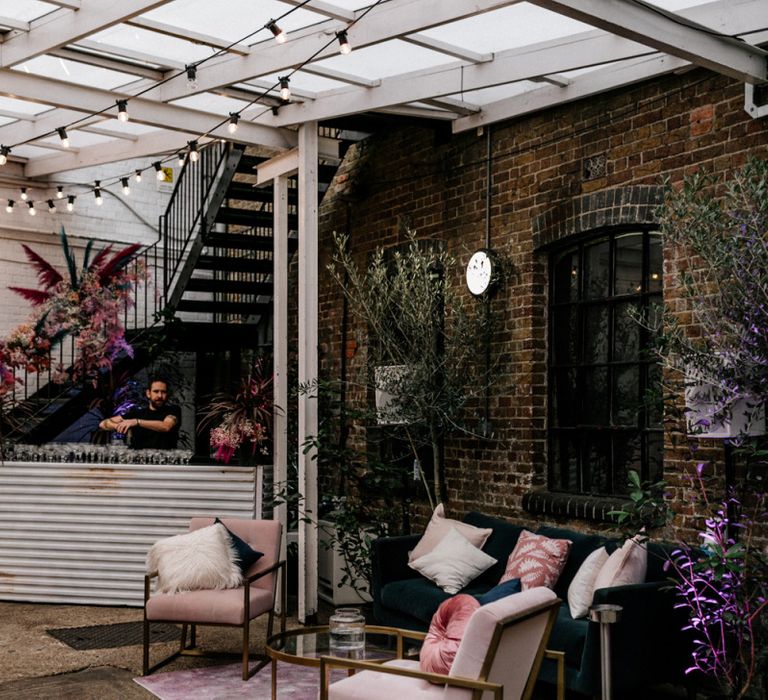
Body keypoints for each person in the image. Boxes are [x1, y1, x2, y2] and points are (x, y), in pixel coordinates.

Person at [99, 376, 181, 449]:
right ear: (148, 393)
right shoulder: (137, 413)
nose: (160, 395)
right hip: (139, 462)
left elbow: (166, 426)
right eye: (156, 391)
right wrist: (119, 426)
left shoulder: (173, 410)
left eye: (163, 392)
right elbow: (103, 423)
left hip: (164, 462)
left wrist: (137, 422)